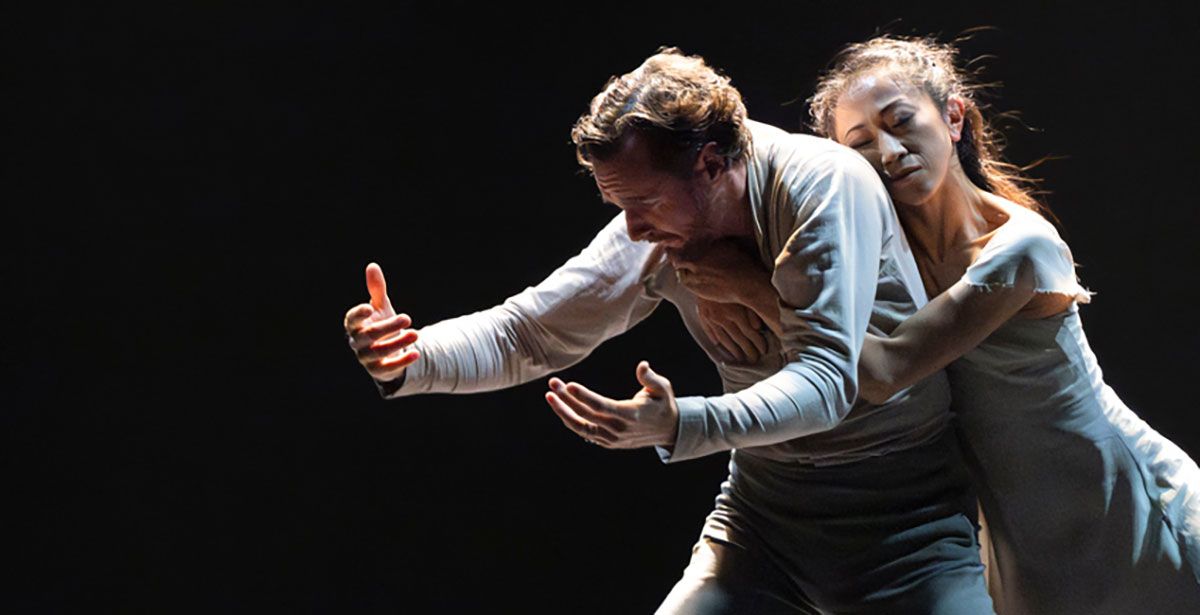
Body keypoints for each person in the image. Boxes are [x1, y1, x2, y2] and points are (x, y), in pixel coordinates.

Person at [343, 48, 996, 613]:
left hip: (906, 521)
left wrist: (683, 422)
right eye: (619, 206)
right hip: (764, 521)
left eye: (645, 202)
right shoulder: (657, 223)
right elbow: (530, 333)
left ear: (711, 164)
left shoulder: (823, 185)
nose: (632, 229)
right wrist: (411, 355)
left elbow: (829, 381)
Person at [797, 35, 1200, 614]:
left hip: (1122, 508)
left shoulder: (1021, 246)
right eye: (860, 143)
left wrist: (750, 290)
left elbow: (886, 371)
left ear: (953, 117)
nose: (888, 151)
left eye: (901, 121)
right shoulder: (884, 260)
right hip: (1019, 534)